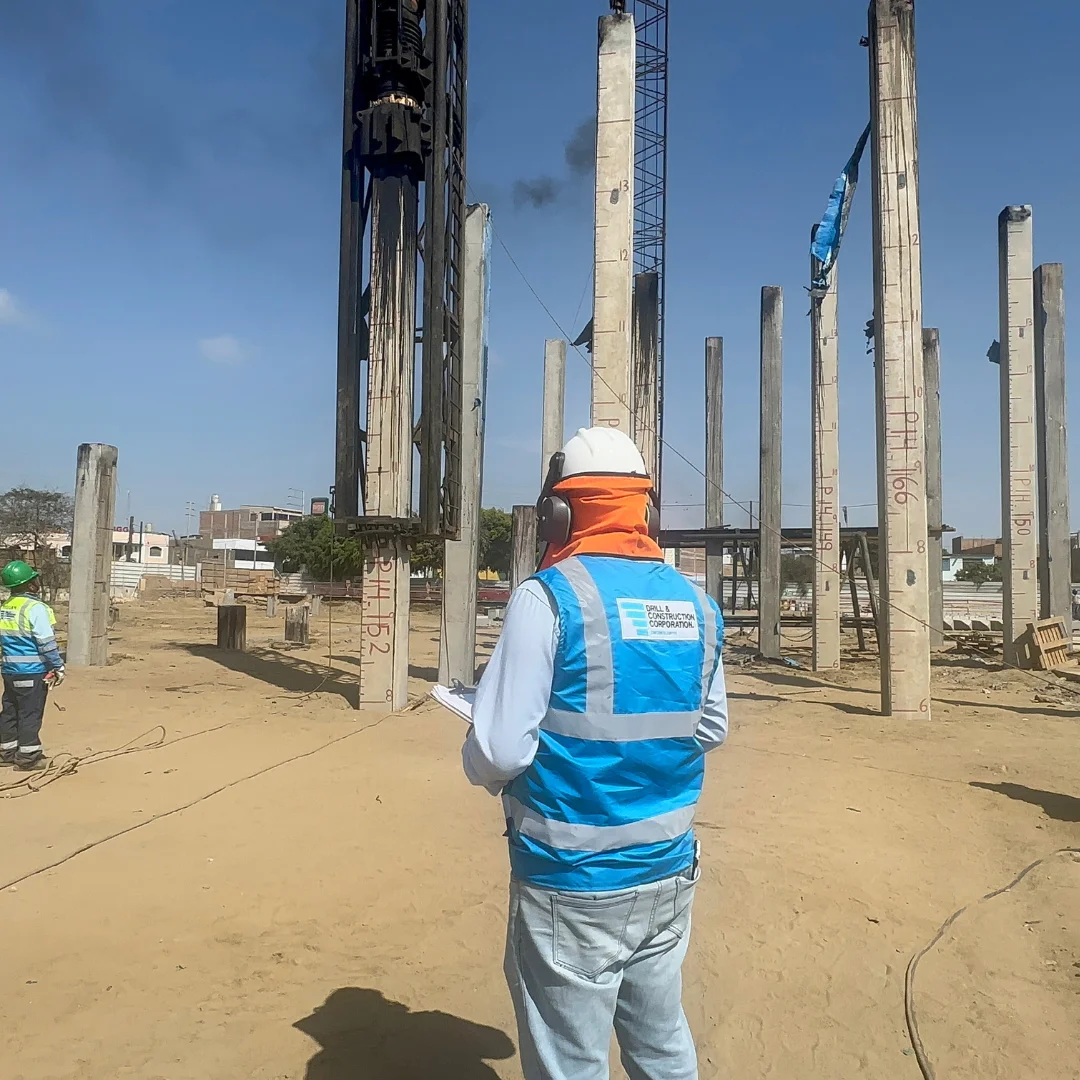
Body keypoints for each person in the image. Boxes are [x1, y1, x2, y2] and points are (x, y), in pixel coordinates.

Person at [462, 427, 728, 1080]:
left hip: (571, 884)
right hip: (668, 874)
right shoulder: (695, 604)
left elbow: (497, 750)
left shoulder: (545, 598)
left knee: (570, 1064)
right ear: (646, 511)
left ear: (560, 511)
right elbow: (711, 726)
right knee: (663, 1048)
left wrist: (479, 750)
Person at [0, 560, 65, 770]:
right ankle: (28, 758)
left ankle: (6, 752)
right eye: (33, 579)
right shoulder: (36, 608)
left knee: (10, 711)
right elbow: (46, 642)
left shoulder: (6, 608)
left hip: (10, 671)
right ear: (30, 585)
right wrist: (57, 666)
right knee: (30, 713)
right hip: (32, 672)